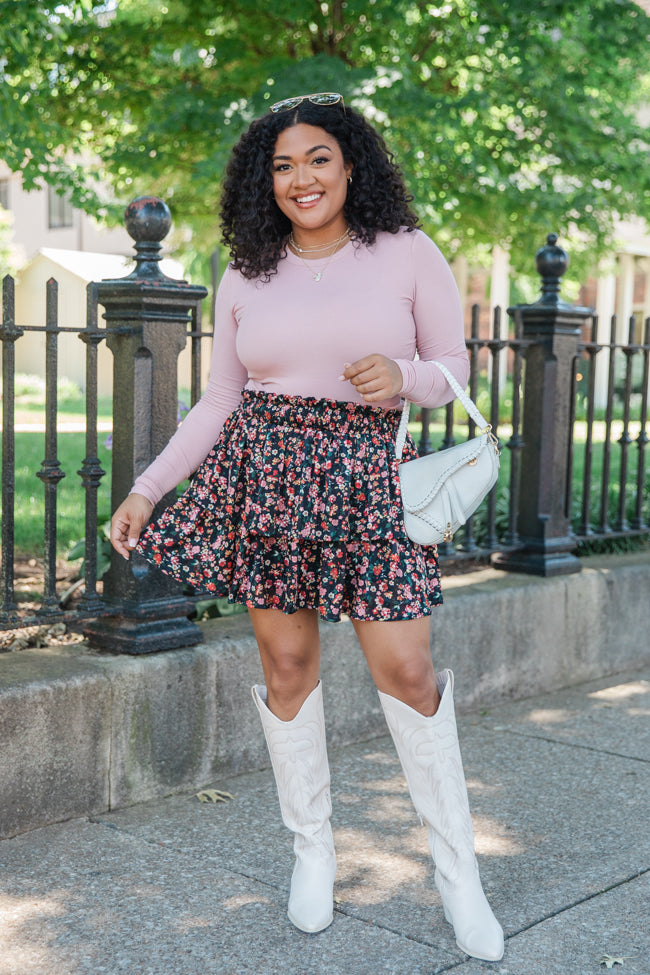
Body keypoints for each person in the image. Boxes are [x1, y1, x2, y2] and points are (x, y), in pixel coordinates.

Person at [109, 91, 504, 962]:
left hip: (369, 479)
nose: (302, 178)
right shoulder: (248, 268)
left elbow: (453, 367)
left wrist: (404, 376)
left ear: (351, 163)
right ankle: (312, 853)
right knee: (287, 666)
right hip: (266, 473)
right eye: (283, 165)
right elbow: (219, 399)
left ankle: (457, 875)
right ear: (266, 180)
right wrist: (147, 489)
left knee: (407, 670)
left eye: (318, 158)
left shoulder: (406, 251)